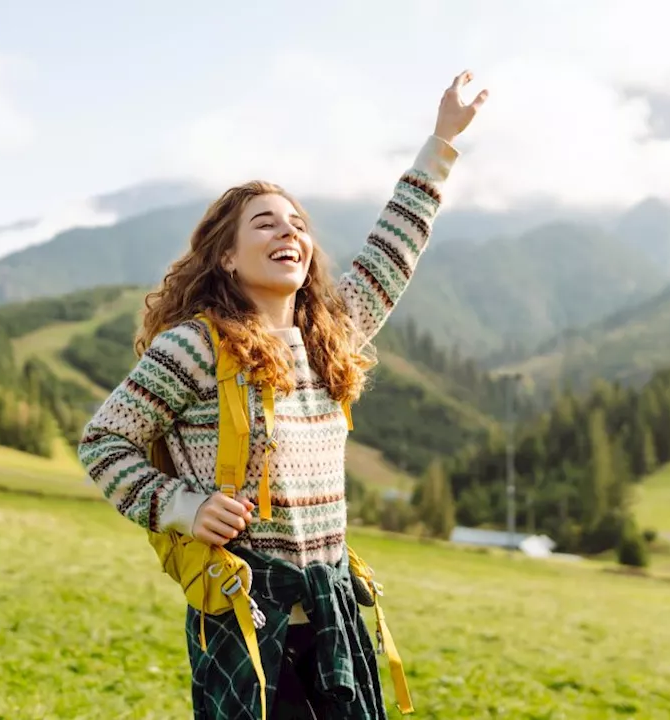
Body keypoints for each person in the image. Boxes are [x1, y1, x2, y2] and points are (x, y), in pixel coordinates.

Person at [79, 70, 488, 720]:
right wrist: (181, 506)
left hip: (332, 610)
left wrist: (440, 142)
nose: (287, 233)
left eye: (297, 224)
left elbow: (393, 248)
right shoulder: (194, 347)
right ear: (229, 259)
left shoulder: (331, 333)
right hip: (243, 612)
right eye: (265, 224)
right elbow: (104, 442)